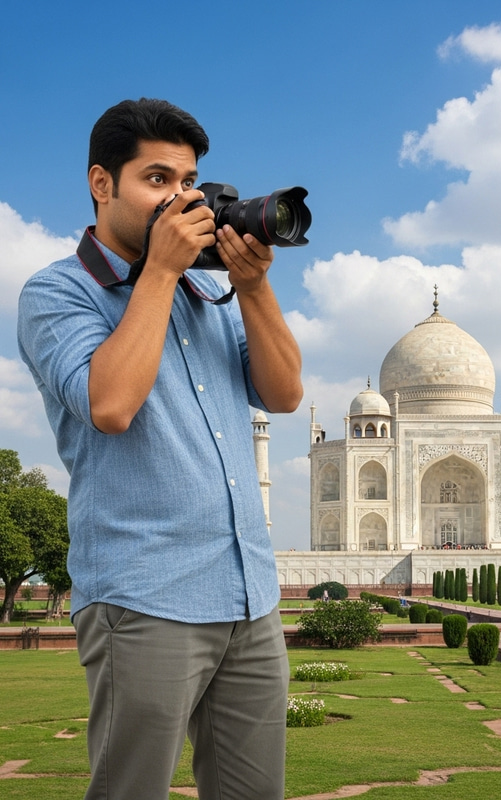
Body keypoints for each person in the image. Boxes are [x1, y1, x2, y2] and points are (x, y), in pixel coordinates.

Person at [17, 98, 303, 800]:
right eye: (156, 179)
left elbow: (285, 393)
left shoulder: (208, 289)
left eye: (187, 181)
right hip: (145, 599)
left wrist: (254, 286)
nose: (178, 198)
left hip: (247, 595)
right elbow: (110, 406)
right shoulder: (56, 292)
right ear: (101, 183)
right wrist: (162, 272)